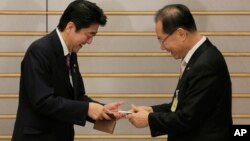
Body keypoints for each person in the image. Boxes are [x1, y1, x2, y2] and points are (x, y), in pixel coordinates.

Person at [12, 0, 124, 141]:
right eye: (89, 35)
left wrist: (103, 110)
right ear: (70, 27)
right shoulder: (39, 51)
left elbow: (77, 97)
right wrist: (88, 109)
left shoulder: (70, 53)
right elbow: (42, 101)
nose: (90, 42)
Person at [127, 4, 232, 141]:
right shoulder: (197, 58)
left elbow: (188, 117)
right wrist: (151, 110)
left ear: (181, 34)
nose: (162, 47)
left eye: (162, 40)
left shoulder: (206, 64)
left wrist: (149, 119)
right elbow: (182, 105)